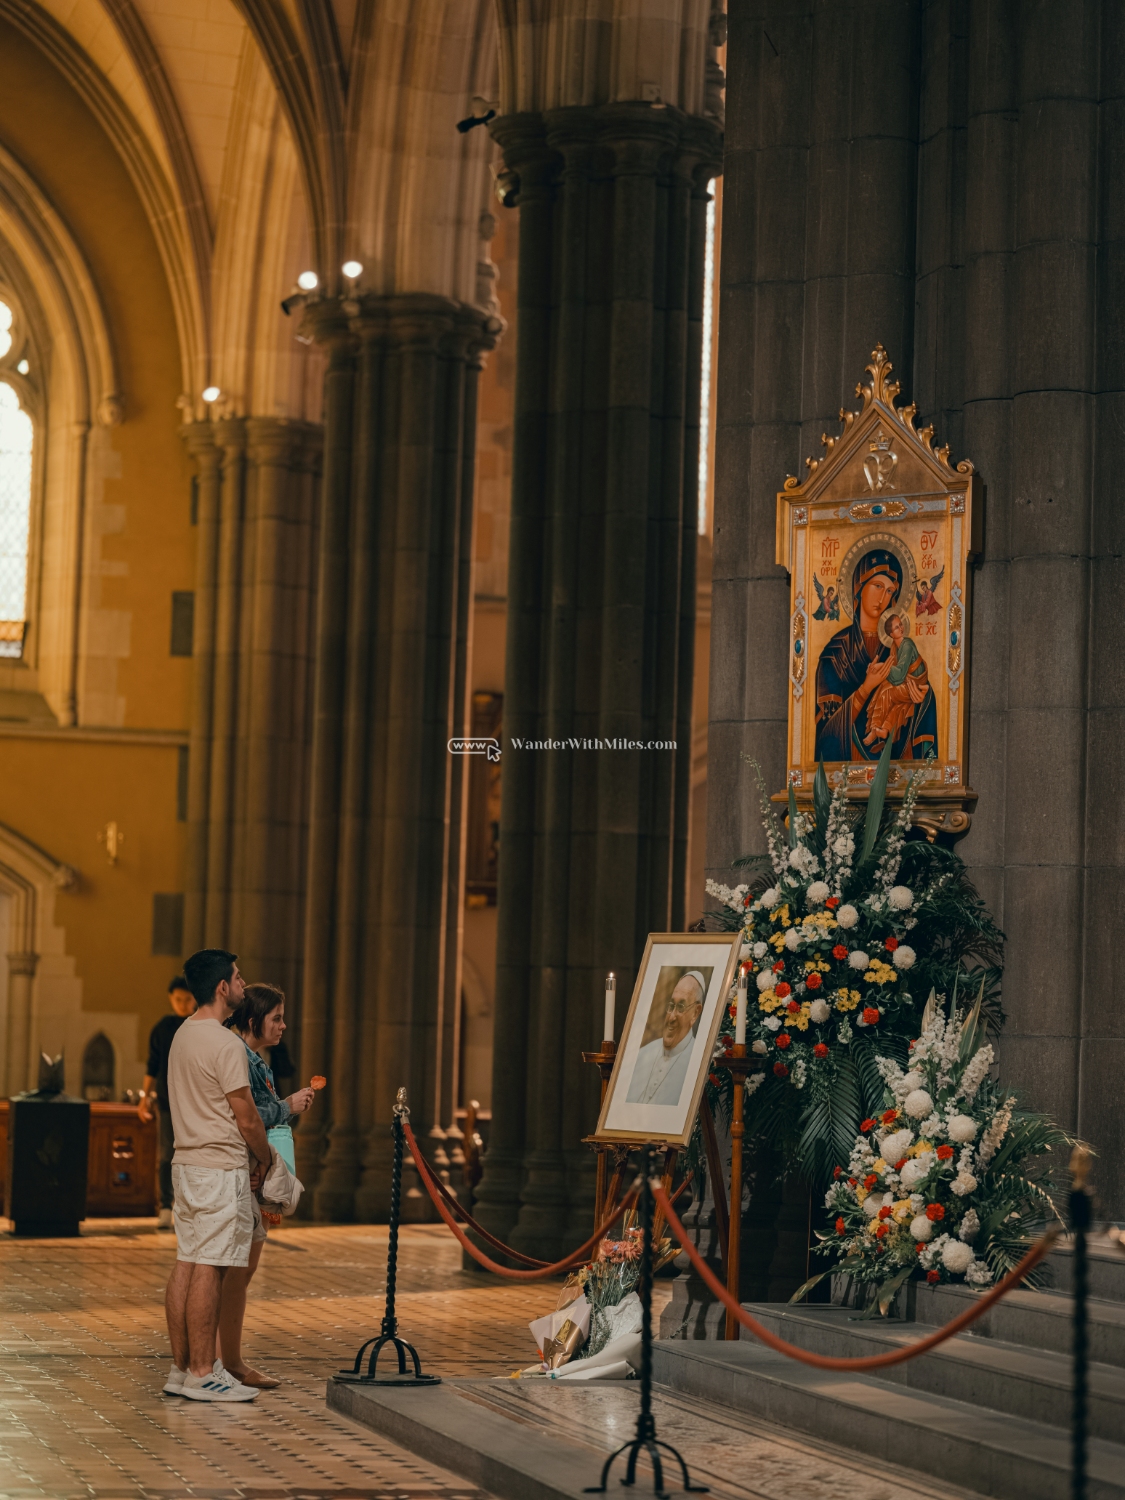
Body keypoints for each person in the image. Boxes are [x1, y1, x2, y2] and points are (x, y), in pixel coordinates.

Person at [162, 948, 268, 1403]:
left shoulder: (182, 1035)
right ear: (222, 987)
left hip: (186, 1163)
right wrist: (265, 1158)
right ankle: (204, 1373)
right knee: (211, 1265)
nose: (243, 983)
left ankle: (182, 1369)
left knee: (187, 1260)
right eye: (238, 978)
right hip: (219, 1167)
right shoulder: (225, 1044)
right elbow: (246, 1117)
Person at [216, 983, 313, 1387]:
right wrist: (287, 1106)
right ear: (254, 1020)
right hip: (238, 1170)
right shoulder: (238, 1055)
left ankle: (228, 1360)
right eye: (276, 1018)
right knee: (233, 1271)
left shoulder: (257, 1060)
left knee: (245, 1268)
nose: (283, 1025)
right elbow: (247, 1115)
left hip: (254, 1168)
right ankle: (224, 1363)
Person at [813, 548, 937, 762]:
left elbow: (915, 682)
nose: (882, 597)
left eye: (889, 591)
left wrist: (922, 694)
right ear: (859, 588)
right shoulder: (835, 654)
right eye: (877, 586)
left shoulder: (897, 647)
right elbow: (826, 735)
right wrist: (866, 688)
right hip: (846, 769)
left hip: (896, 765)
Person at [138, 976, 197, 1229]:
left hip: (197, 1103)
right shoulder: (162, 1028)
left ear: (195, 999)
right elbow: (152, 1065)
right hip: (167, 1101)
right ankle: (165, 1206)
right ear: (171, 999)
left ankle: (190, 1207)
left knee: (195, 1155)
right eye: (178, 999)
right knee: (166, 1155)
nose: (182, 1004)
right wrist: (144, 1099)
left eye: (187, 999)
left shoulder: (202, 1026)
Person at [626, 971, 706, 1105]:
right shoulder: (643, 1054)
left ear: (695, 1013)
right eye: (671, 1006)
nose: (671, 1017)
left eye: (681, 1007)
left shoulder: (698, 1062)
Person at [862, 614, 924, 747]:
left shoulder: (907, 645)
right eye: (896, 627)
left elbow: (899, 674)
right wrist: (876, 670)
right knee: (887, 692)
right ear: (891, 634)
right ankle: (884, 729)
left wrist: (881, 666)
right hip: (906, 683)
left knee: (886, 692)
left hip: (915, 685)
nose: (901, 628)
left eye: (900, 624)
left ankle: (874, 729)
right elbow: (893, 671)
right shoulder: (894, 647)